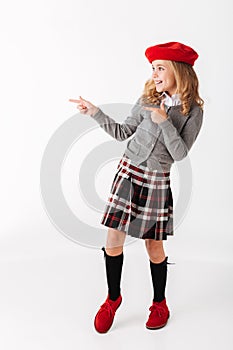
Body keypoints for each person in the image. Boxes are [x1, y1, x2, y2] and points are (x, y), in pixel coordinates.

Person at [69, 41, 204, 333]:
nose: (154, 74)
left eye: (159, 68)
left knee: (153, 245)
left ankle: (159, 303)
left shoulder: (193, 111)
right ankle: (112, 298)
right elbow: (122, 132)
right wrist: (95, 112)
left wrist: (166, 122)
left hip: (156, 180)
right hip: (128, 173)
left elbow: (180, 154)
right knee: (113, 238)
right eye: (152, 69)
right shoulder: (146, 98)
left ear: (178, 71)